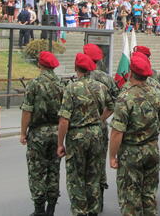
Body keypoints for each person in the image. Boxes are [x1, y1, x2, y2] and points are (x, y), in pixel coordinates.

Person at [109, 51, 160, 216]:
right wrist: (151, 129)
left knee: (130, 198)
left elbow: (117, 132)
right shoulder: (156, 93)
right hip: (151, 149)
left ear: (131, 72)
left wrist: (112, 156)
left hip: (131, 152)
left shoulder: (126, 97)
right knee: (149, 195)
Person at [57, 53, 113, 216]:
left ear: (76, 68)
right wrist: (99, 119)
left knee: (76, 177)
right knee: (93, 175)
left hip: (77, 136)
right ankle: (94, 210)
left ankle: (80, 211)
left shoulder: (71, 88)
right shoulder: (101, 86)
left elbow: (64, 120)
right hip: (96, 135)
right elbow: (111, 106)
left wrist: (60, 143)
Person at [20, 51, 64, 216]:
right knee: (54, 169)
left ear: (40, 65)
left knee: (37, 170)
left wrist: (23, 133)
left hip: (38, 132)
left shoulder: (34, 84)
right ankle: (51, 209)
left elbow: (27, 111)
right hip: (56, 131)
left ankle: (39, 210)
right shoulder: (61, 84)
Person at [84, 43, 119, 210]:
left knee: (81, 165)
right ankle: (98, 201)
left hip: (81, 128)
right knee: (98, 164)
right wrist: (102, 118)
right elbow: (116, 100)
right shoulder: (106, 78)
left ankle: (84, 202)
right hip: (100, 127)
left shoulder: (81, 76)